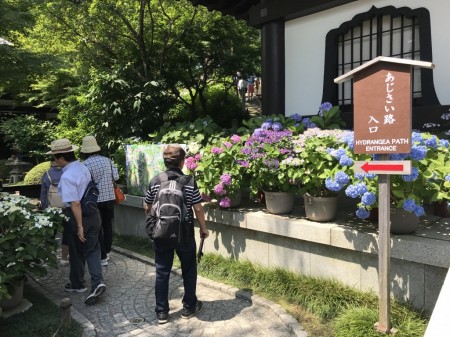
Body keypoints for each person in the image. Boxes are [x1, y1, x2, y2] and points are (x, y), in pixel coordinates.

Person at [144, 144, 209, 324]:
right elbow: (197, 208)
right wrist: (203, 228)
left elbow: (148, 206)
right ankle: (188, 307)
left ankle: (162, 312)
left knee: (162, 271)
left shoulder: (155, 180)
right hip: (184, 233)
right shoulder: (189, 182)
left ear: (165, 162)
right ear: (182, 163)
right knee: (188, 269)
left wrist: (154, 224)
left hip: (161, 232)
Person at [47, 138, 106, 305]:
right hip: (94, 213)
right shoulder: (83, 168)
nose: (54, 161)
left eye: (54, 158)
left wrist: (79, 226)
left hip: (78, 216)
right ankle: (96, 282)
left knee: (76, 250)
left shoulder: (67, 176)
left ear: (60, 157)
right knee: (92, 248)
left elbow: (75, 203)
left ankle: (79, 284)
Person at [80, 135, 119, 267]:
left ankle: (102, 256)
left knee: (97, 228)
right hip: (109, 198)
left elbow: (84, 183)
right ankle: (107, 250)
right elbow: (116, 176)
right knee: (108, 225)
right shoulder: (107, 160)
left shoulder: (84, 164)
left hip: (94, 200)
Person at [40, 158, 69, 266]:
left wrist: (44, 209)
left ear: (51, 162)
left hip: (51, 209)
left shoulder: (46, 174)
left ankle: (48, 258)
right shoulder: (66, 173)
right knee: (67, 233)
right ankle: (64, 258)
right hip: (66, 208)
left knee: (51, 233)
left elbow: (43, 194)